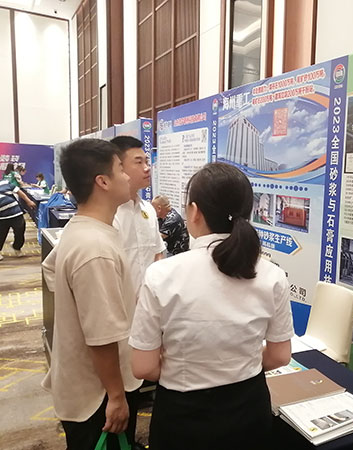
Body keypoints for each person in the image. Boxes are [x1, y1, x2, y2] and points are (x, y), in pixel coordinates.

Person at [129, 162, 294, 450]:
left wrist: (187, 368)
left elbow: (143, 366)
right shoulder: (272, 275)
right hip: (249, 412)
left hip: (183, 418)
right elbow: (280, 356)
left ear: (194, 211)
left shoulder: (161, 275)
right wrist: (236, 363)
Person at [41, 139, 142, 450]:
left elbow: (50, 268)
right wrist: (116, 396)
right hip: (99, 397)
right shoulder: (95, 248)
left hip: (89, 386)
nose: (127, 176)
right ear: (103, 181)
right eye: (121, 169)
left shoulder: (83, 230)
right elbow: (101, 336)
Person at [110, 136, 165, 296]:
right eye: (138, 162)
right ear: (118, 167)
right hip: (118, 304)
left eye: (146, 162)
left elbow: (157, 252)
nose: (147, 168)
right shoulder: (108, 213)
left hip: (149, 302)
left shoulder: (148, 209)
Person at [0, 177, 36, 260]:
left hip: (16, 213)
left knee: (20, 232)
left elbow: (18, 191)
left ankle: (16, 247)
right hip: (1, 218)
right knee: (1, 235)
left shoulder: (4, 183)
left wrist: (28, 201)